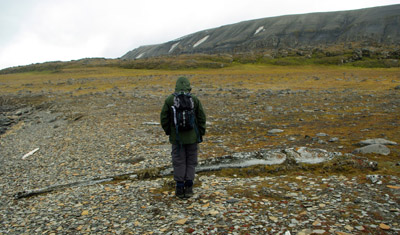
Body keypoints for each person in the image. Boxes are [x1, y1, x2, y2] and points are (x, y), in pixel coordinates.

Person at [160, 77, 206, 199]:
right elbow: (201, 118)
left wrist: (169, 132)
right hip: (193, 138)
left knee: (179, 161)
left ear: (176, 86)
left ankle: (179, 188)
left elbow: (164, 118)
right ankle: (189, 188)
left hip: (177, 138)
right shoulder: (194, 99)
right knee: (191, 161)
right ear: (188, 86)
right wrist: (201, 133)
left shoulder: (170, 99)